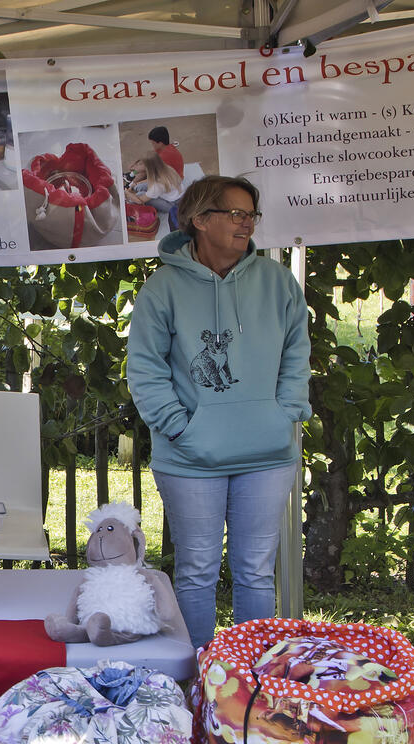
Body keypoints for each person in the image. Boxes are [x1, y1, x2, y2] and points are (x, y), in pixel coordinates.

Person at [125, 175, 310, 649]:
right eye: (236, 214)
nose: (247, 224)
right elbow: (145, 368)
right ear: (200, 220)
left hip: (266, 453)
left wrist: (286, 411)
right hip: (190, 457)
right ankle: (197, 676)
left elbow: (297, 352)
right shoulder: (162, 288)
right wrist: (178, 427)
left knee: (255, 572)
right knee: (196, 571)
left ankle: (250, 678)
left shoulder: (278, 281)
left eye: (251, 215)